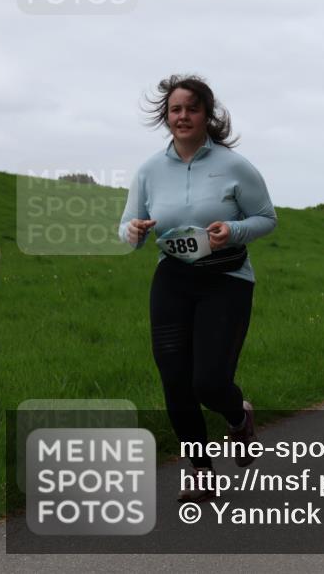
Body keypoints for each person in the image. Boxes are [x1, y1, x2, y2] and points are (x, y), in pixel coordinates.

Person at [119, 75, 277, 502]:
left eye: (192, 108)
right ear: (166, 116)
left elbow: (267, 217)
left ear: (208, 115)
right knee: (175, 381)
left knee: (208, 381)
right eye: (175, 109)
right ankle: (202, 474)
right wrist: (133, 230)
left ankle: (237, 415)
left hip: (225, 279)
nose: (183, 116)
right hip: (173, 279)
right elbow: (127, 228)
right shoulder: (150, 169)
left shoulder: (234, 166)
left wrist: (234, 229)